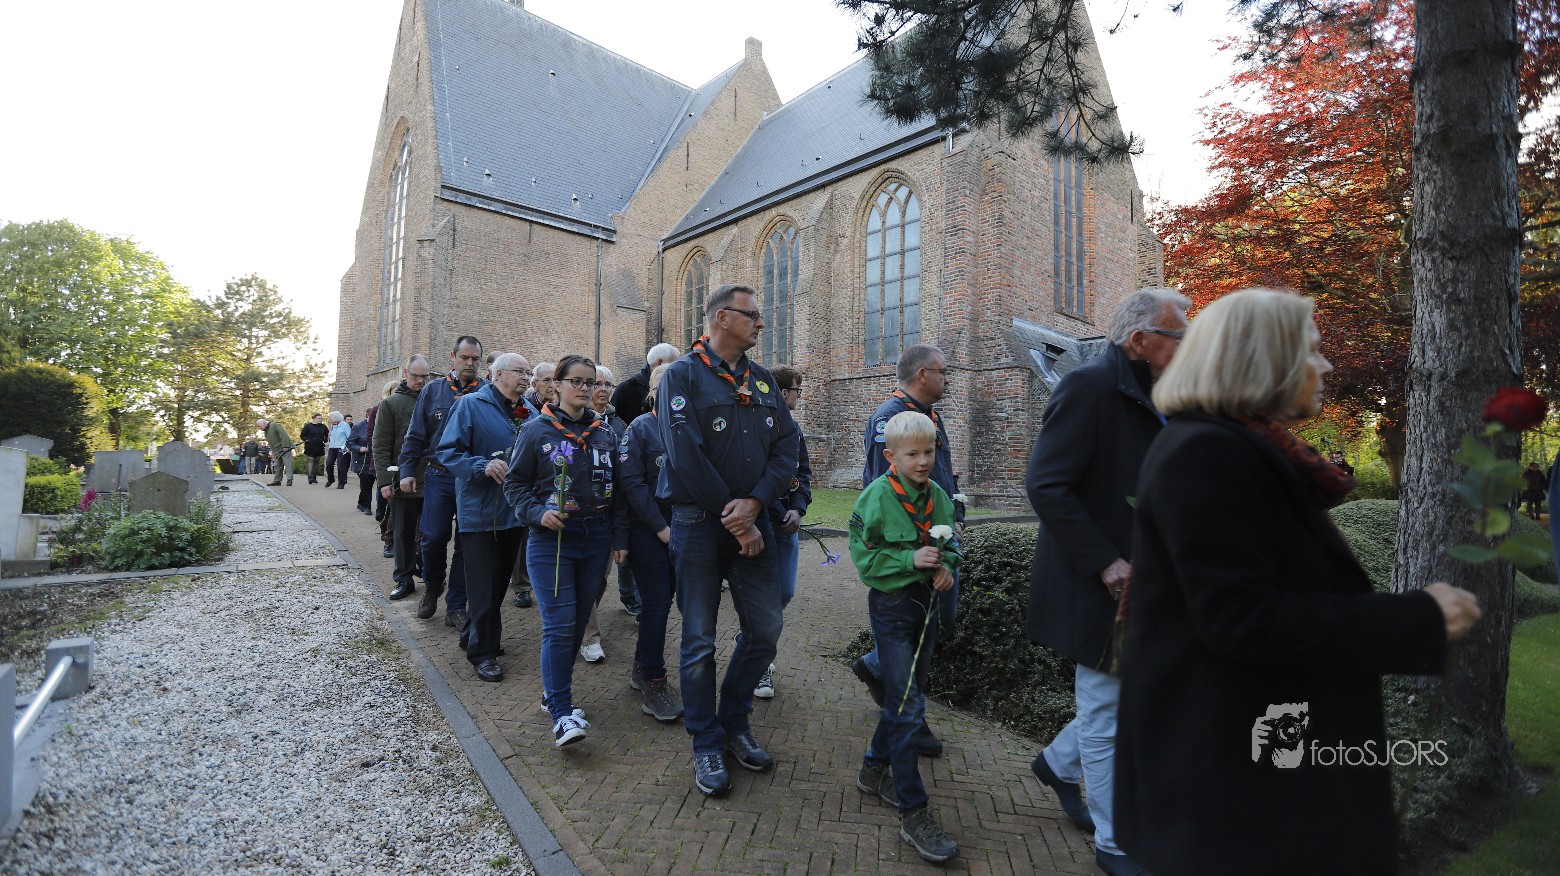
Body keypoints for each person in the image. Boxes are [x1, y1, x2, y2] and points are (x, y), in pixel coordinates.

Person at [1115, 288, 1481, 875]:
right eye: (1311, 351)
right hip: (1240, 792)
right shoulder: (1208, 455)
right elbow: (1244, 622)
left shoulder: (1234, 447)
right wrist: (1417, 619)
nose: (1326, 365)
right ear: (1264, 360)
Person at [1024, 286, 1189, 876]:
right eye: (1179, 336)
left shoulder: (1164, 394)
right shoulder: (1088, 386)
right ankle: (1115, 843)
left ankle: (1057, 764)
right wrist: (1106, 561)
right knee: (1106, 709)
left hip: (1147, 582)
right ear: (1139, 340)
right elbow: (1046, 484)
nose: (1189, 346)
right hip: (1097, 584)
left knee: (1131, 695)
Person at [657, 283, 799, 797]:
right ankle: (706, 741)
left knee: (765, 629)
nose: (761, 322)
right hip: (699, 525)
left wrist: (756, 503)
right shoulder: (681, 376)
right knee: (698, 640)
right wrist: (736, 519)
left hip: (754, 521)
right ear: (722, 318)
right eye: (752, 314)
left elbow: (788, 445)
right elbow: (684, 454)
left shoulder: (762, 381)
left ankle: (734, 722)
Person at [849, 411, 961, 863]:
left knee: (904, 698)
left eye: (929, 452)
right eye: (912, 454)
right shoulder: (876, 497)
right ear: (890, 457)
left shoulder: (938, 496)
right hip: (892, 607)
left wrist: (946, 567)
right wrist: (908, 561)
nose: (923, 461)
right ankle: (914, 812)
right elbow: (863, 557)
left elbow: (951, 545)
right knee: (908, 709)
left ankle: (873, 769)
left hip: (926, 608)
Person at [503, 354, 626, 747]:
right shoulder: (536, 431)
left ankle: (552, 694)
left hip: (596, 538)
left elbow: (619, 491)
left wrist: (620, 539)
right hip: (552, 540)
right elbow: (514, 484)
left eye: (591, 382)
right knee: (558, 625)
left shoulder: (604, 432)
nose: (585, 389)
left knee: (575, 624)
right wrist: (538, 513)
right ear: (556, 385)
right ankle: (560, 713)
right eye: (577, 381)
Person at [853, 343, 960, 757]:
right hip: (912, 553)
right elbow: (886, 493)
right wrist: (912, 550)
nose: (947, 378)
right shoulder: (890, 418)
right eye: (943, 371)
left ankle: (877, 668)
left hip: (938, 538)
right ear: (922, 374)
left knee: (939, 622)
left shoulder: (929, 416)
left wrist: (954, 519)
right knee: (914, 637)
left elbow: (941, 479)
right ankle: (908, 718)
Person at [436, 353, 537, 683]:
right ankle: (483, 653)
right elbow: (448, 451)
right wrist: (482, 465)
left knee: (498, 585)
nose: (526, 377)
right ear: (497, 374)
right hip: (479, 511)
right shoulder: (470, 405)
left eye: (528, 372)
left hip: (514, 512)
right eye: (519, 371)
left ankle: (474, 635)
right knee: (482, 587)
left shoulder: (531, 412)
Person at [401, 336, 487, 632]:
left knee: (467, 541)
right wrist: (406, 471)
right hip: (438, 475)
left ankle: (456, 605)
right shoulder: (433, 390)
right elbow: (416, 434)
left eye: (475, 359)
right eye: (464, 357)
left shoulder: (487, 392)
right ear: (452, 356)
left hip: (472, 477)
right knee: (434, 535)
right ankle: (433, 585)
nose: (470, 363)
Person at [617, 362, 684, 722]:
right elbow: (632, 485)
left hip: (685, 528)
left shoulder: (689, 426)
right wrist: (660, 528)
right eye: (662, 384)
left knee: (665, 601)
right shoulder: (640, 429)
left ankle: (641, 666)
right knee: (656, 603)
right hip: (648, 530)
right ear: (652, 393)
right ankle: (654, 683)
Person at [754, 364, 811, 699]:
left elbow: (803, 474)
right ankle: (760, 663)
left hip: (787, 526)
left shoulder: (796, 430)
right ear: (782, 392)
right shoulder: (757, 426)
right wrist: (777, 511)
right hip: (762, 524)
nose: (798, 397)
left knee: (784, 593)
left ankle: (751, 643)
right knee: (762, 598)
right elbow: (755, 478)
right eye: (796, 391)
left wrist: (798, 508)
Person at [376, 355, 432, 602]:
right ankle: (404, 578)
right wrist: (385, 481)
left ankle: (431, 575)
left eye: (424, 376)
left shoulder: (434, 400)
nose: (420, 381)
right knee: (403, 532)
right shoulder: (391, 404)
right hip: (403, 479)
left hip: (433, 479)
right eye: (416, 376)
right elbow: (381, 445)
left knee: (433, 533)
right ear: (405, 373)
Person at [612, 342, 680, 424]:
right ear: (660, 362)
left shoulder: (676, 387)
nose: (676, 370)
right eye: (673, 365)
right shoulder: (625, 390)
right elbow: (615, 425)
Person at [258, 417, 295, 486]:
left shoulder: (274, 425)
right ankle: (277, 480)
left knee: (287, 464)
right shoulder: (266, 431)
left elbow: (283, 435)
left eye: (259, 426)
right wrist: (273, 452)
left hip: (284, 448)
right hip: (277, 451)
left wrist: (285, 446)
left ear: (264, 423)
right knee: (277, 466)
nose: (259, 428)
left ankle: (289, 479)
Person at [300, 414, 329, 484]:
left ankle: (314, 477)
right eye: (318, 418)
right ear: (314, 418)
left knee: (316, 461)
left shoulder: (323, 427)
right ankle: (310, 477)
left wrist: (324, 440)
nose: (320, 419)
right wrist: (307, 440)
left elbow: (327, 435)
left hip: (319, 446)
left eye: (321, 418)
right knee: (311, 460)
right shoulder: (308, 426)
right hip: (310, 446)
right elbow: (302, 435)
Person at [327, 412, 353, 489]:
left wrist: (347, 447)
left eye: (330, 418)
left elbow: (350, 437)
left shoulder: (345, 425)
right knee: (329, 464)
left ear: (335, 418)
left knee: (341, 465)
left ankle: (341, 483)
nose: (329, 419)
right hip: (332, 447)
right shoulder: (333, 426)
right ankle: (331, 479)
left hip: (342, 448)